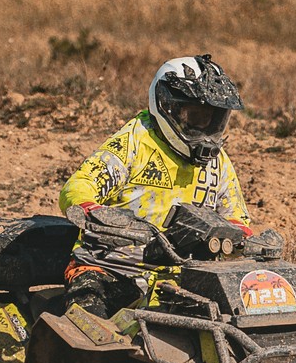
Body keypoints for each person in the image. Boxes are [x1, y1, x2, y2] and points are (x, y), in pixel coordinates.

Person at [57, 55, 259, 317]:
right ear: (167, 106)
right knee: (87, 324)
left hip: (184, 276)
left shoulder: (217, 162)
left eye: (214, 119)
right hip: (111, 267)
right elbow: (78, 187)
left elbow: (237, 218)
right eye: (195, 117)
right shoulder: (133, 141)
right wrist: (100, 216)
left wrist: (245, 239)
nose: (205, 128)